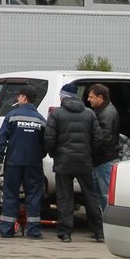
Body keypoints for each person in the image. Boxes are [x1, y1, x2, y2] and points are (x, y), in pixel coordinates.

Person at [44, 82, 103, 243]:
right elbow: (98, 138)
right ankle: (98, 232)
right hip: (84, 161)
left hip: (63, 161)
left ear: (63, 97)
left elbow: (49, 138)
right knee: (90, 196)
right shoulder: (89, 113)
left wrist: (54, 154)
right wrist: (89, 153)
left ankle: (65, 233)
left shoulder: (56, 114)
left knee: (65, 197)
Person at [0, 85, 47, 239]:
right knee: (33, 195)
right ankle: (33, 231)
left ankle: (7, 230)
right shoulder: (40, 119)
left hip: (13, 162)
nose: (17, 99)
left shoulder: (12, 116)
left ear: (23, 97)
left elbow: (2, 138)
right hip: (33, 164)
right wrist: (39, 155)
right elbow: (46, 143)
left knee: (10, 194)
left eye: (18, 96)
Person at [87, 83, 120, 214]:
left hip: (105, 160)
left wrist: (89, 152)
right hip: (100, 160)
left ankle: (107, 221)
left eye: (91, 97)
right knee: (99, 194)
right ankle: (101, 221)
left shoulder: (107, 114)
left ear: (100, 98)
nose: (88, 99)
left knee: (106, 194)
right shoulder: (102, 111)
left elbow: (103, 139)